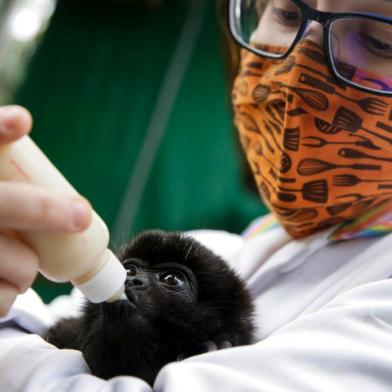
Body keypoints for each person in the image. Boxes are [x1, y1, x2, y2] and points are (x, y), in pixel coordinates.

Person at [0, 0, 391, 390]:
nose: (300, 66)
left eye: (380, 41)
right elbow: (33, 324)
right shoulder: (221, 250)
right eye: (287, 12)